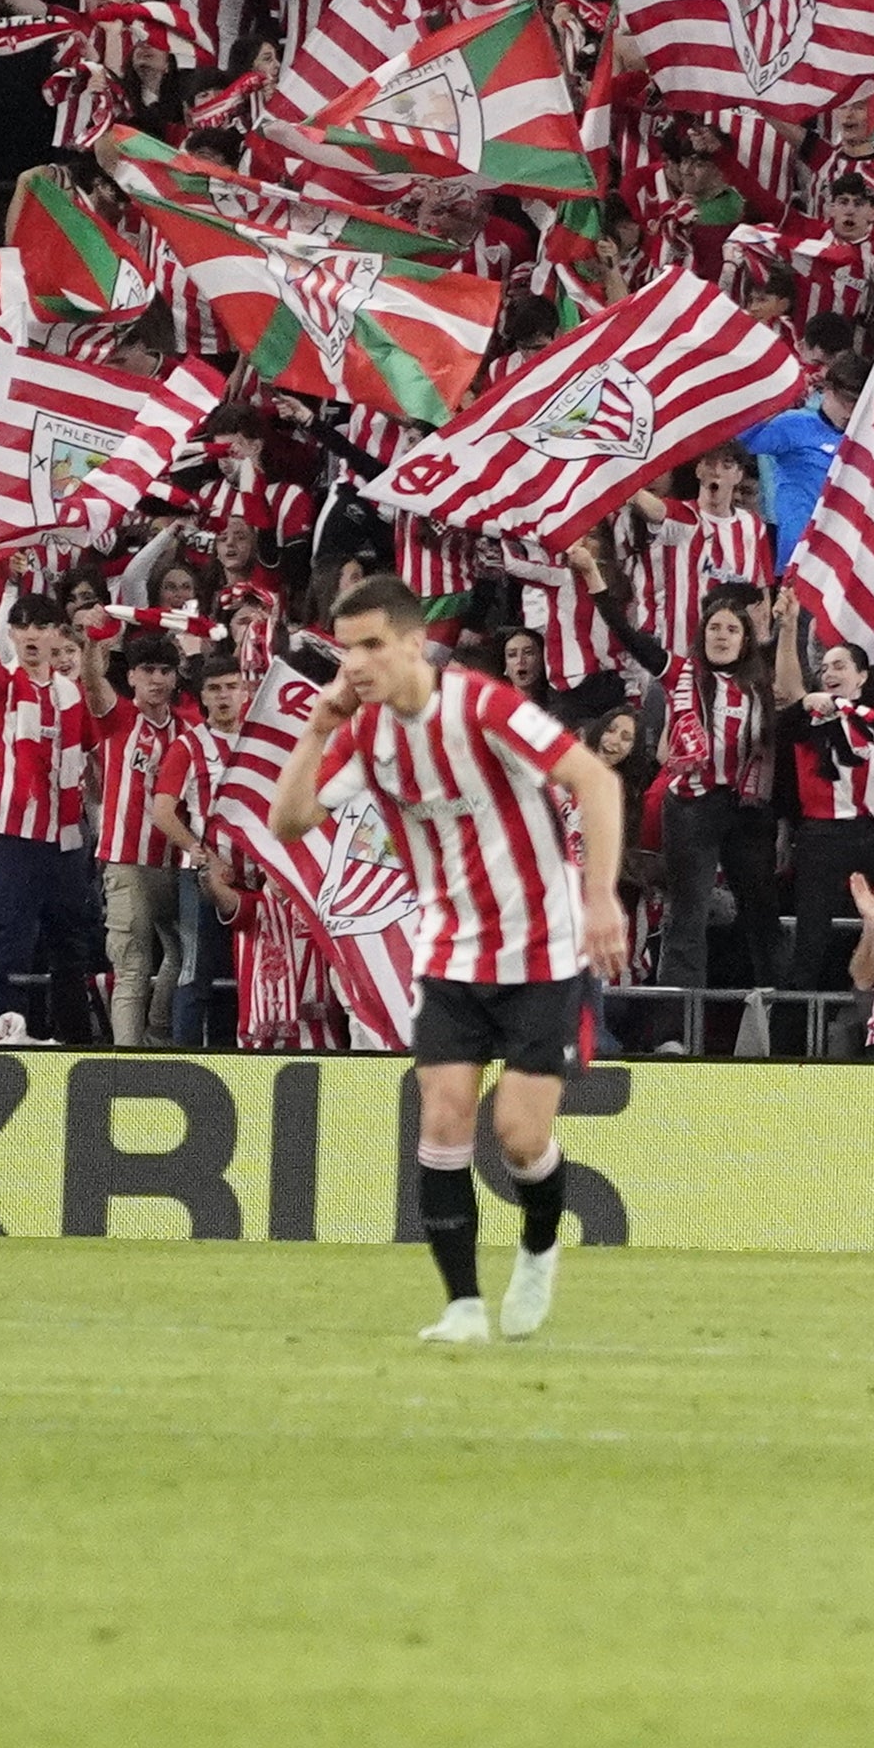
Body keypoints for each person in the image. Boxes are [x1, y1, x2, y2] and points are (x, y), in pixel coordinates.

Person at [267, 570, 630, 1347]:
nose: (355, 664)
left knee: (521, 1138)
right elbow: (289, 821)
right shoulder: (366, 732)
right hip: (451, 947)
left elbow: (595, 780)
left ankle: (537, 1246)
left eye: (370, 647)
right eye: (345, 650)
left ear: (410, 644)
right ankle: (463, 1305)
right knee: (441, 1118)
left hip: (541, 942)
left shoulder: (482, 705)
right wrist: (316, 728)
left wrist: (600, 896)